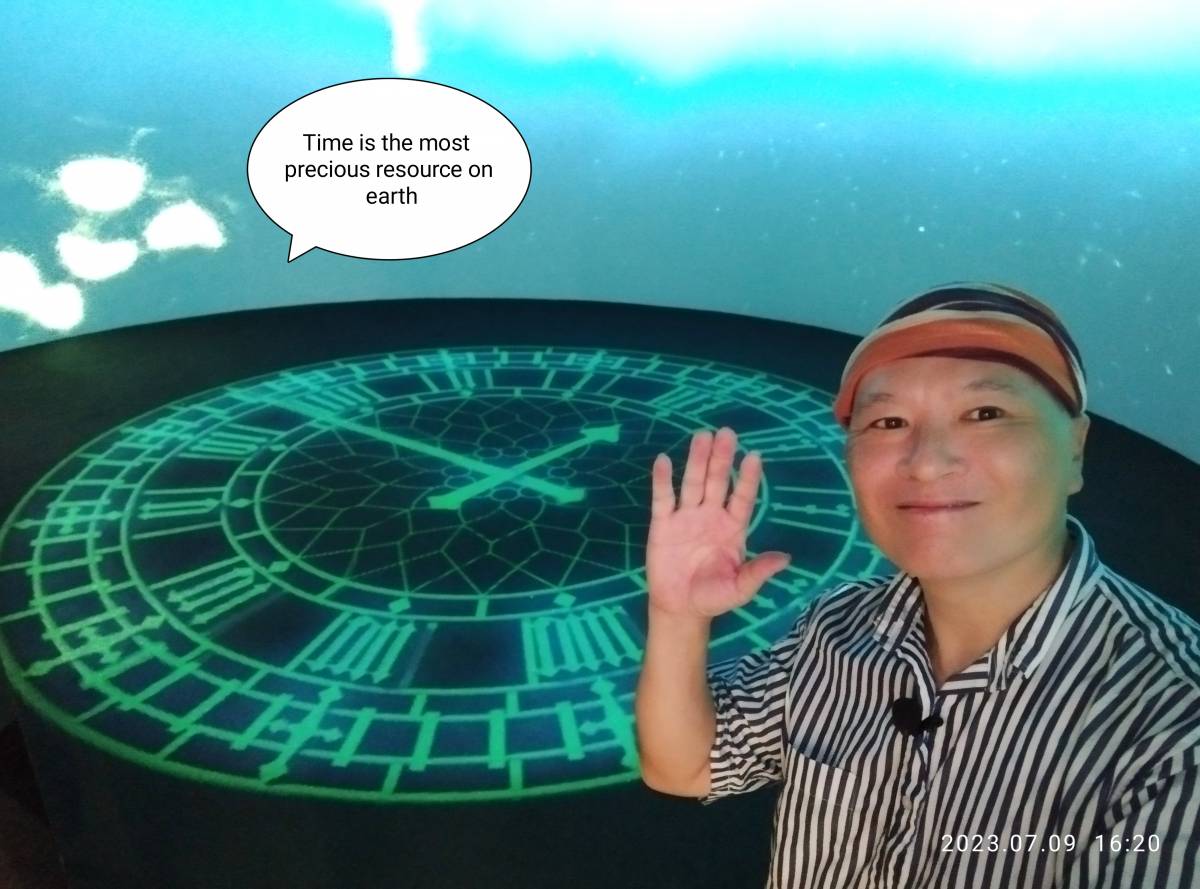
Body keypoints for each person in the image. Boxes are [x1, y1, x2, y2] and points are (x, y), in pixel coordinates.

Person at [634, 282, 1200, 888]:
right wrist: (679, 616)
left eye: (985, 414)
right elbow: (686, 764)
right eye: (889, 421)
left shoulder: (1178, 726)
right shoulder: (836, 627)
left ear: (1076, 450)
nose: (927, 463)